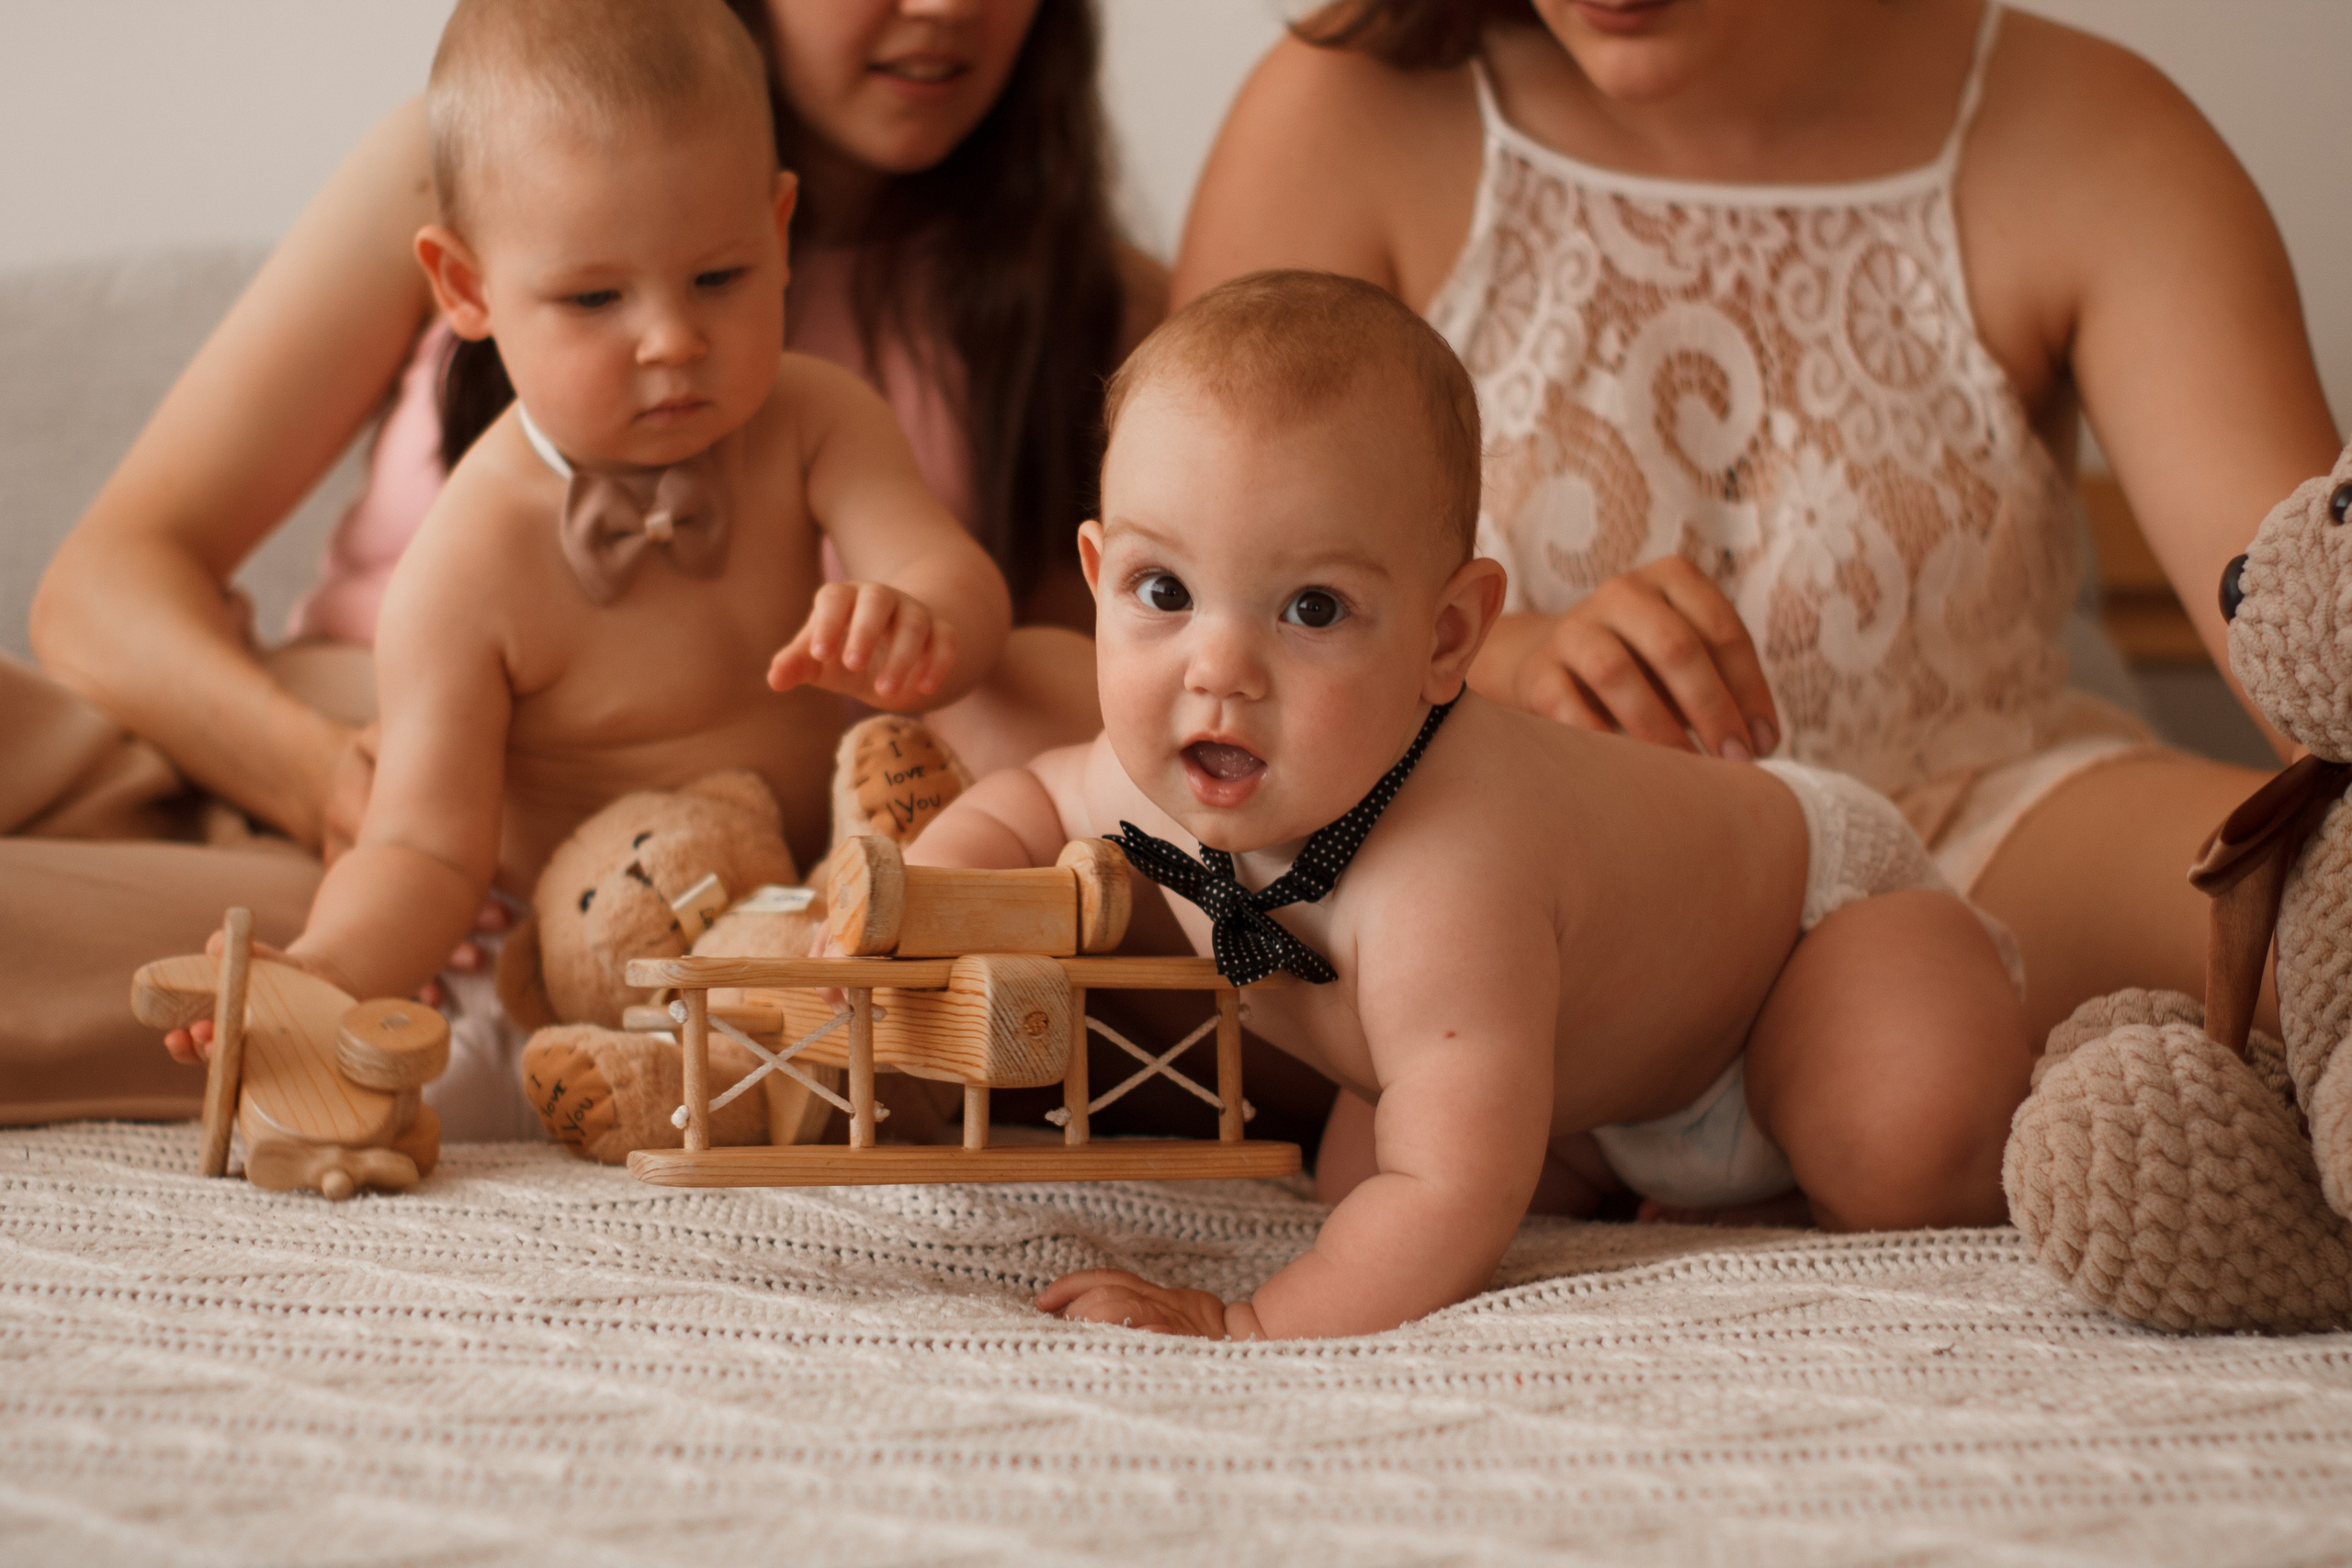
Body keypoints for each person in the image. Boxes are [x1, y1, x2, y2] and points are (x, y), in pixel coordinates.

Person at [10, 0, 1152, 1130]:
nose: (672, 339)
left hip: (774, 868)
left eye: (718, 279)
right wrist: (326, 965)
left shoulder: (817, 415)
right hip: (528, 876)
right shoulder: (464, 564)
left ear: (777, 228)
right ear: (463, 287)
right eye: (595, 298)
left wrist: (915, 617)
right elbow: (418, 845)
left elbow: (953, 577)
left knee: (1048, 683)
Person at [1171, 0, 2344, 1048]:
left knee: (2331, 902)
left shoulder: (2089, 131)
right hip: (1530, 874)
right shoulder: (1342, 112)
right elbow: (1194, 615)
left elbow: (2311, 630)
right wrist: (1512, 661)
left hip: (1981, 833)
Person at [915, 272, 2029, 1339]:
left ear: (1446, 639)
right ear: (1099, 571)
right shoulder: (1147, 772)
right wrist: (911, 907)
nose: (1221, 669)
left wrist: (1243, 1321)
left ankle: (1900, 1127)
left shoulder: (1449, 869)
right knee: (1364, 1181)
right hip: (1604, 1079)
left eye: (1312, 607)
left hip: (1799, 954)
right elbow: (1021, 803)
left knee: (1900, 1130)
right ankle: (1649, 1173)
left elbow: (1451, 1191)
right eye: (1163, 592)